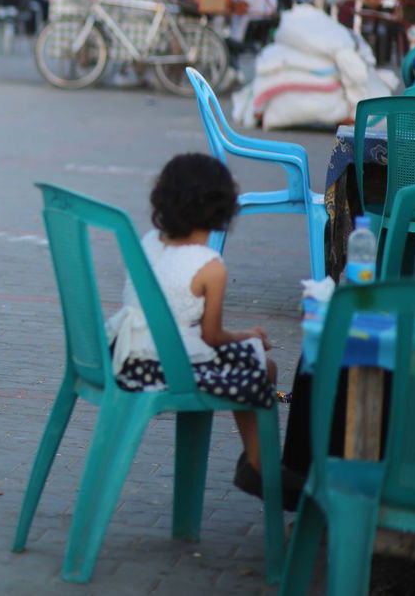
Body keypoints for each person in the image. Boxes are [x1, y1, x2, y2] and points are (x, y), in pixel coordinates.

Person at [106, 153, 287, 500]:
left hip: (124, 351)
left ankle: (258, 463)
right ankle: (260, 463)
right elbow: (213, 336)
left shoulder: (147, 239)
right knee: (262, 365)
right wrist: (246, 336)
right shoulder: (210, 266)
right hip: (162, 366)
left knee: (253, 360)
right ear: (223, 210)